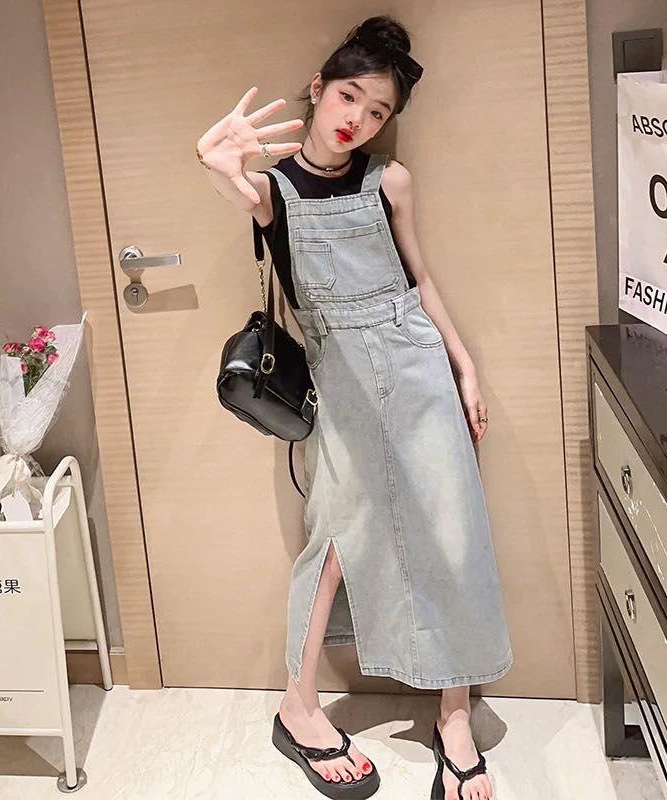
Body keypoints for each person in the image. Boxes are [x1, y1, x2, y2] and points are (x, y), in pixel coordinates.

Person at [196, 15, 513, 800]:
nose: (358, 120)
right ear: (318, 88)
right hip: (339, 378)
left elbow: (420, 281)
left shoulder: (388, 181)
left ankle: (453, 717)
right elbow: (236, 188)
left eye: (378, 112)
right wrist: (213, 159)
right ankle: (298, 706)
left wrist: (466, 368)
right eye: (348, 97)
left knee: (452, 527)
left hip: (417, 366)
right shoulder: (273, 191)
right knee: (336, 540)